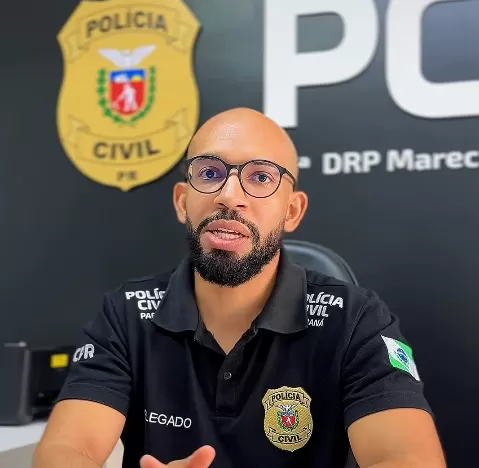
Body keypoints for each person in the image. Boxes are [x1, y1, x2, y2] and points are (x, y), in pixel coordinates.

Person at [34, 108, 446, 468]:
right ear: (181, 201)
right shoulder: (125, 314)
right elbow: (65, 449)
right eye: (209, 174)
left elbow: (411, 459)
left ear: (292, 211)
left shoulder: (356, 321)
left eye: (261, 177)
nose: (229, 197)